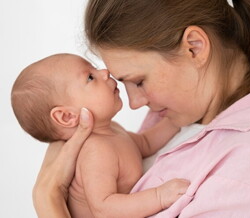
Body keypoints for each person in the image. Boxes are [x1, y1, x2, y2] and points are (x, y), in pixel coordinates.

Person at [33, 0, 250, 217]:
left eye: (139, 81)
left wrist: (49, 202)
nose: (134, 103)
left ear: (194, 47)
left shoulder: (249, 174)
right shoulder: (177, 113)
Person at [11, 54, 190, 217]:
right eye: (90, 77)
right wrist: (159, 196)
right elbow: (105, 208)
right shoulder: (95, 151)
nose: (104, 72)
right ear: (67, 116)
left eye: (95, 68)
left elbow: (144, 143)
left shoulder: (111, 130)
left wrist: (176, 119)